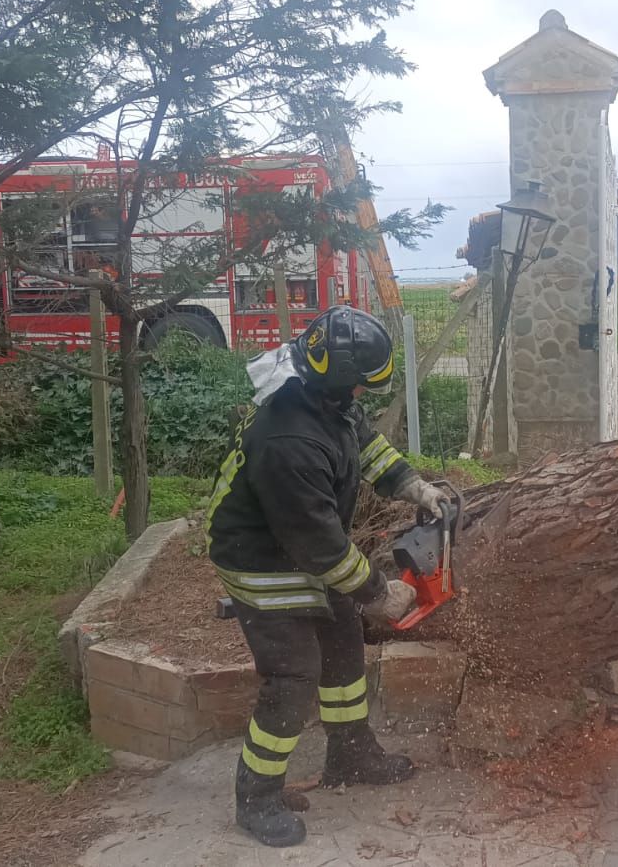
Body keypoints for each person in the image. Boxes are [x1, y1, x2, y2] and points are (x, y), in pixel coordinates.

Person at [205, 305, 449, 848]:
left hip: (301, 547)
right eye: (363, 386)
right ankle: (258, 796)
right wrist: (379, 594)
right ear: (340, 380)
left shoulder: (324, 397)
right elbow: (320, 546)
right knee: (294, 676)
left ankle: (352, 752)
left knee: (342, 644)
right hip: (260, 562)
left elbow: (367, 446)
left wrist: (413, 485)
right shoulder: (287, 440)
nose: (366, 394)